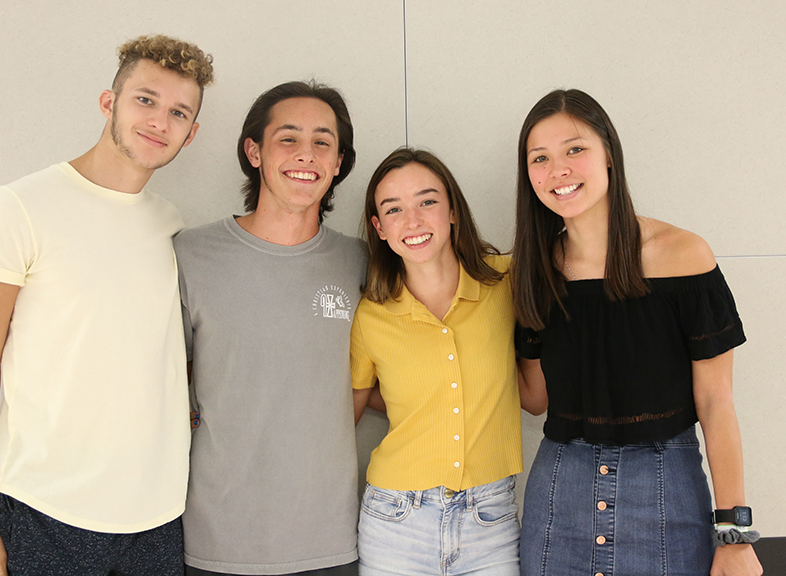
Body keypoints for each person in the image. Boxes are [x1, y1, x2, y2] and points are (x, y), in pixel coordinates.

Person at [0, 35, 214, 576]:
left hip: (158, 520)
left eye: (178, 112)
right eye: (145, 99)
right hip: (42, 512)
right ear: (108, 102)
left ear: (190, 135)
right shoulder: (17, 207)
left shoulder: (172, 225)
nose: (159, 121)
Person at [512, 89, 763, 576]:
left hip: (666, 491)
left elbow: (716, 401)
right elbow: (535, 396)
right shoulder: (535, 271)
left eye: (574, 149)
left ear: (609, 152)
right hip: (559, 495)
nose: (557, 169)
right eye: (539, 158)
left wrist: (734, 533)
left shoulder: (683, 255)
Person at [175, 80, 365, 576]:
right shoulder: (190, 255)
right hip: (216, 541)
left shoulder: (360, 263)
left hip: (330, 542)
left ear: (339, 162)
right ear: (253, 150)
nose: (307, 154)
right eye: (289, 138)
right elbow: (163, 383)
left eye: (323, 142)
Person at [351, 147, 522, 576]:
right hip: (395, 520)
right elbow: (351, 408)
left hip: (492, 518)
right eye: (394, 209)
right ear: (380, 228)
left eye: (427, 201)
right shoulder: (370, 314)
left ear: (452, 212)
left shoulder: (508, 284)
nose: (413, 221)